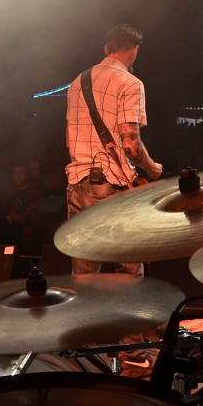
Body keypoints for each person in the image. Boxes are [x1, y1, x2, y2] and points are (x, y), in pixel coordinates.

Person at [65, 23, 163, 367]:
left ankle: (85, 352)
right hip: (108, 186)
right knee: (128, 273)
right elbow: (131, 145)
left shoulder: (79, 81)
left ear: (107, 47)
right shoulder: (130, 82)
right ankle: (132, 351)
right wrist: (152, 170)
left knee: (85, 274)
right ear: (132, 49)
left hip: (77, 183)